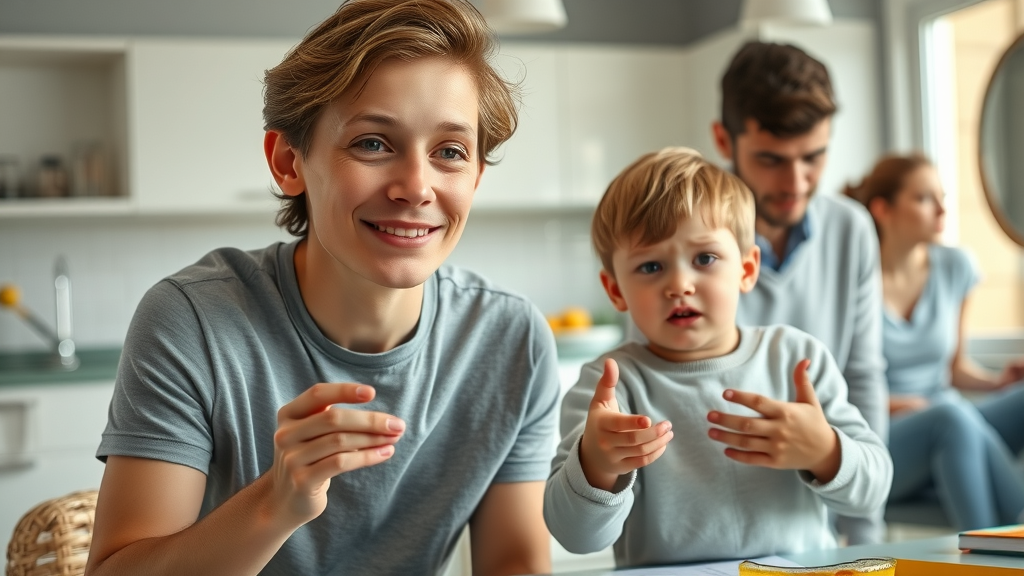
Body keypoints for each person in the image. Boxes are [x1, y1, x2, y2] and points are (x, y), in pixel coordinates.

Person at [85, 1, 561, 575]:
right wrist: (276, 503)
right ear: (288, 161)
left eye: (450, 153)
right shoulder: (192, 321)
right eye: (373, 143)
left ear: (477, 176)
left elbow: (514, 564)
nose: (417, 187)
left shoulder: (512, 338)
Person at [544, 147, 892, 567]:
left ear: (747, 269)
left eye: (704, 258)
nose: (680, 285)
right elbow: (575, 537)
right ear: (615, 289)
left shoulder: (797, 360)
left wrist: (825, 452)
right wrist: (596, 467)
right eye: (651, 267)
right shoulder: (610, 386)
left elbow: (874, 490)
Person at [710, 41, 890, 544]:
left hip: (819, 528)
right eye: (771, 159)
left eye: (813, 157)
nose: (795, 182)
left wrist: (865, 534)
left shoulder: (852, 229)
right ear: (724, 139)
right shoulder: (686, 235)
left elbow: (862, 381)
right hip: (715, 527)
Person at [845, 153, 1024, 531]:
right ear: (882, 209)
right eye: (924, 198)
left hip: (949, 416)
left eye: (942, 197)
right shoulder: (851, 282)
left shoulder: (956, 267)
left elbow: (954, 370)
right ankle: (996, 542)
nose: (942, 209)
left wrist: (997, 382)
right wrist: (900, 404)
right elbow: (839, 389)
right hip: (883, 432)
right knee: (951, 417)